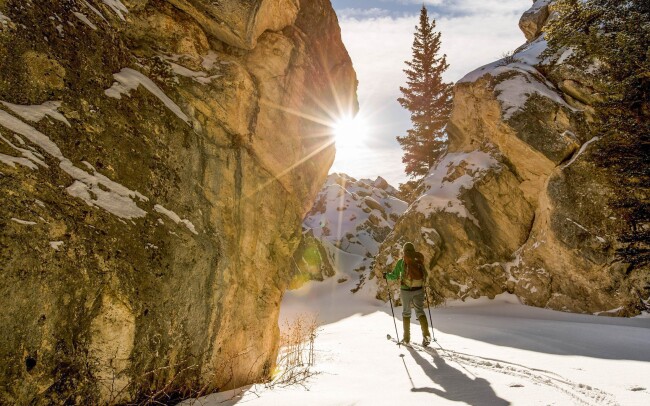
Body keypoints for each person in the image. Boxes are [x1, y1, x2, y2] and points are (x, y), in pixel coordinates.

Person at [384, 242, 431, 346]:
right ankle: (426, 335)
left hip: (406, 290)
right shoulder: (418, 260)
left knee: (406, 313)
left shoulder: (401, 262)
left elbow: (395, 276)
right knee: (420, 311)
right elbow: (424, 274)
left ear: (404, 251)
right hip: (419, 289)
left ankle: (406, 339)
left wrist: (386, 276)